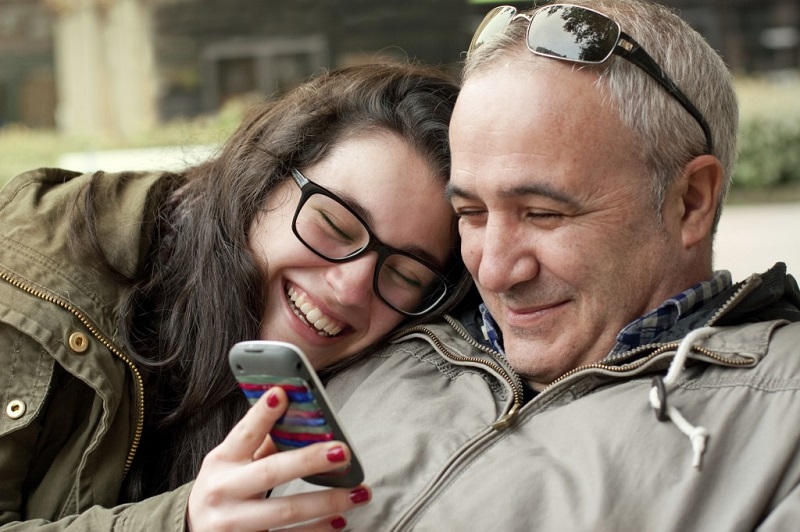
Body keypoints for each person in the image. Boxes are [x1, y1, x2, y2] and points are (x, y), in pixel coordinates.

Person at [275, 1, 800, 529]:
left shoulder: (782, 415)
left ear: (690, 201)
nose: (496, 273)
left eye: (544, 213)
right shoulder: (393, 327)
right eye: (471, 213)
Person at [0, 62, 472, 530]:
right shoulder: (35, 268)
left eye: (405, 275)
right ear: (264, 175)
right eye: (333, 225)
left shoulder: (396, 374)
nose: (350, 288)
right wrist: (182, 522)